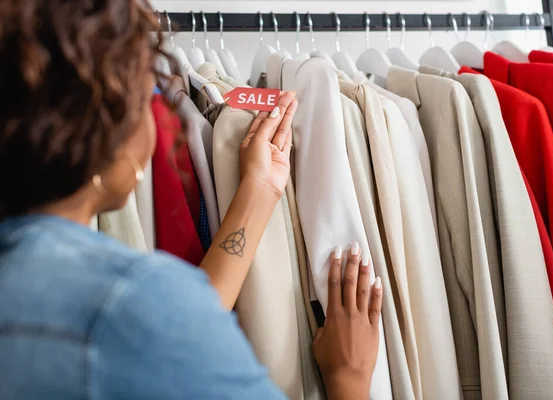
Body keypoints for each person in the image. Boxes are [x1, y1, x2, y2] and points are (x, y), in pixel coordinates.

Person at [0, 1, 383, 399]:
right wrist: (348, 378)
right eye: (145, 97)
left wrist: (259, 190)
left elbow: (178, 330)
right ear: (101, 135)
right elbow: (160, 328)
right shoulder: (130, 308)